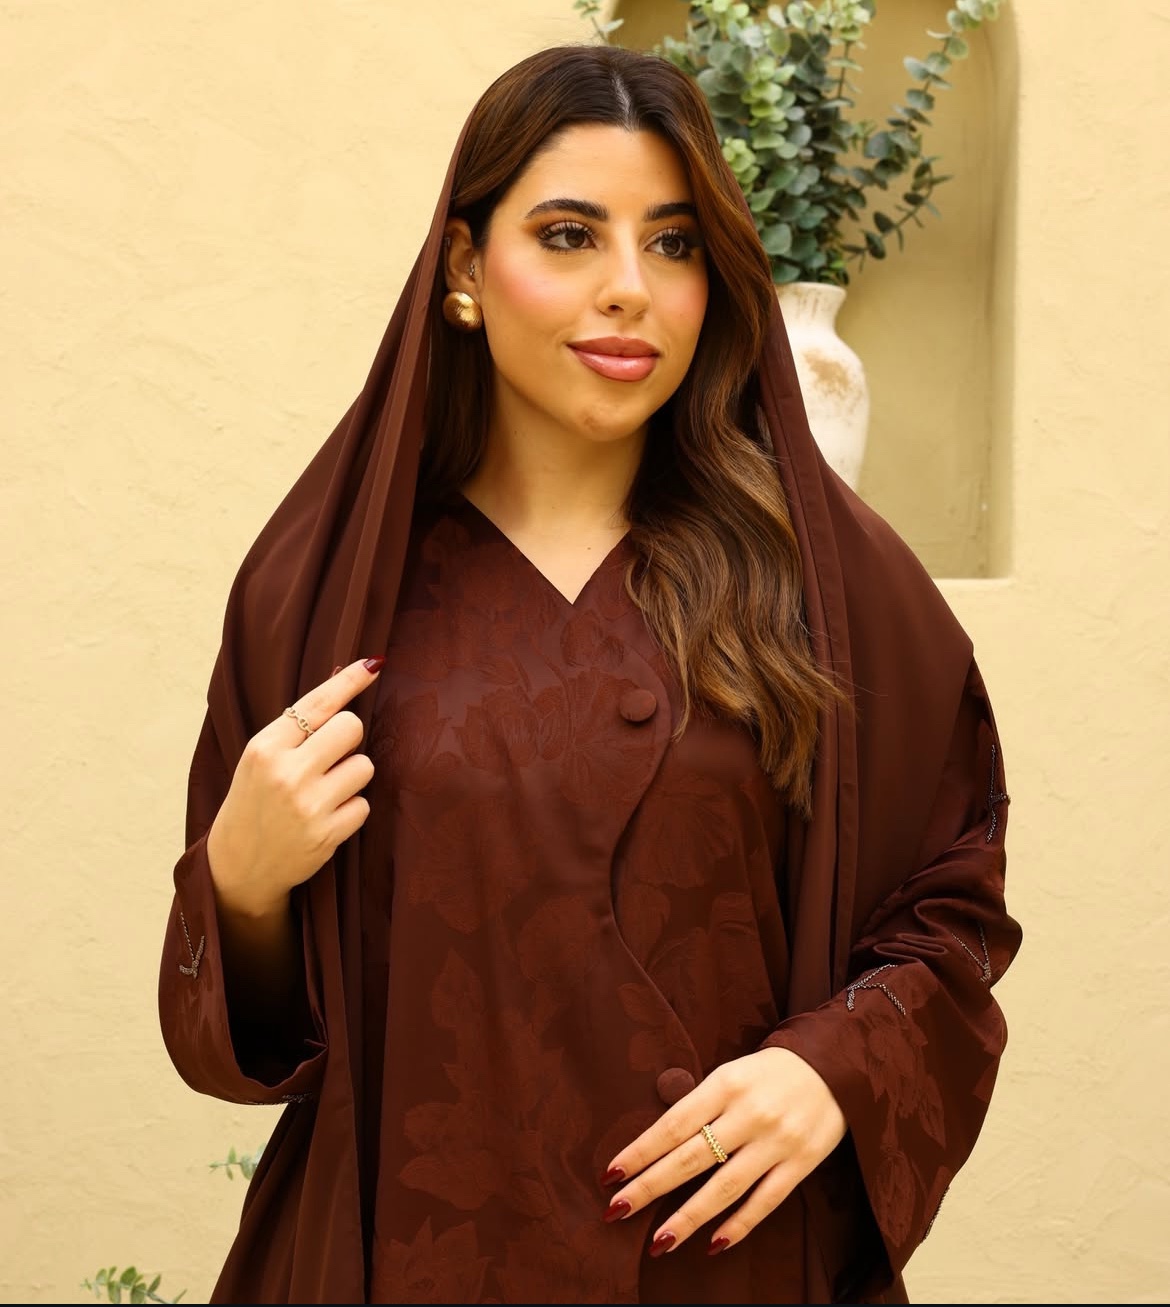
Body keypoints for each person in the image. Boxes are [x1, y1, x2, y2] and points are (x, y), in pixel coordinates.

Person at [158, 41, 1021, 1306]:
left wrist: (835, 1066)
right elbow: (248, 1046)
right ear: (465, 266)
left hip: (723, 1264)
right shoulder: (327, 592)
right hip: (405, 1260)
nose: (628, 288)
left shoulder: (826, 584)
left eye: (672, 244)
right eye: (569, 235)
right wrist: (240, 881)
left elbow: (951, 899)